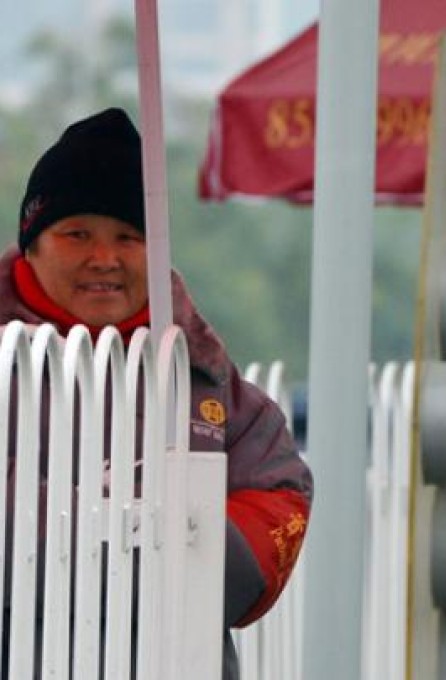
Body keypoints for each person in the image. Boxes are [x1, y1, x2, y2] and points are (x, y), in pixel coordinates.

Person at [2, 108, 313, 679]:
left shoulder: (208, 381)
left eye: (130, 236)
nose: (106, 259)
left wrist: (80, 526)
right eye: (78, 235)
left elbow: (276, 500)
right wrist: (145, 527)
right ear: (32, 243)